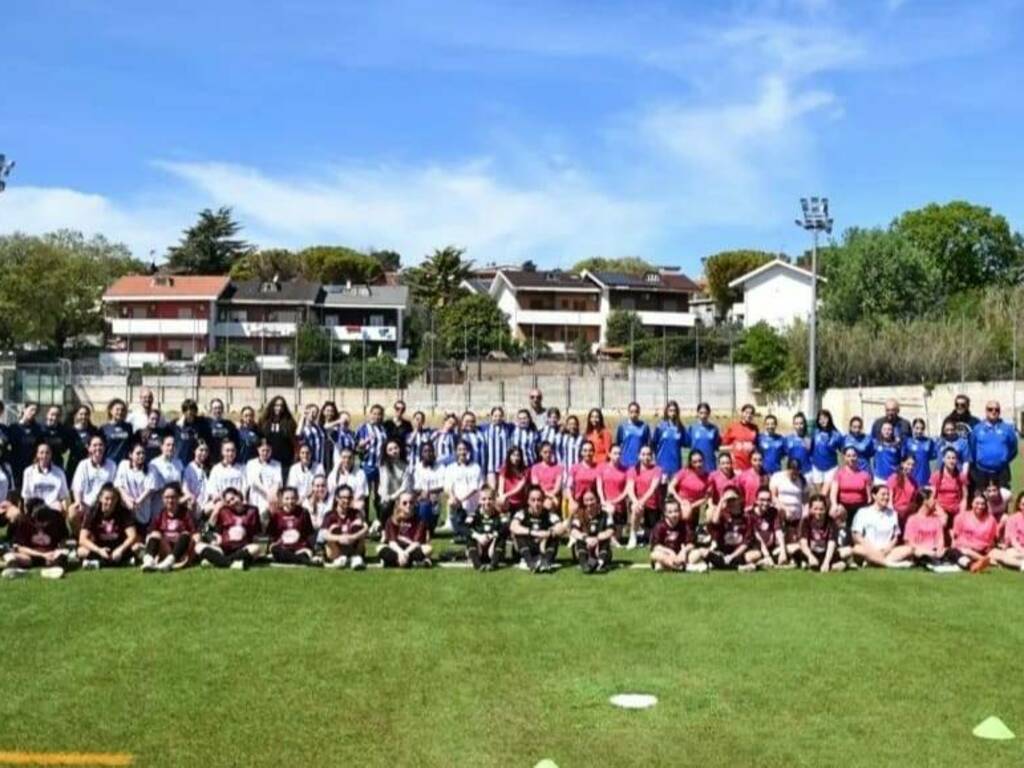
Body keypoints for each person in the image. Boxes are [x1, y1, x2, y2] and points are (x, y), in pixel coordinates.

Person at [1, 497, 70, 580]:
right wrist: (42, 555)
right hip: (29, 556)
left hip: (51, 555)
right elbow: (19, 547)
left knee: (64, 552)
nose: (43, 524)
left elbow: (64, 539)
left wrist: (57, 550)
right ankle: (13, 569)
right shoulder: (22, 522)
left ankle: (55, 568)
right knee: (9, 555)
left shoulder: (57, 517)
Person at [194, 487, 261, 570]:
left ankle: (218, 561)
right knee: (198, 546)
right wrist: (215, 511)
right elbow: (206, 530)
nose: (232, 503)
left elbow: (257, 533)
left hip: (242, 548)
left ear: (239, 496)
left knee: (256, 548)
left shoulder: (252, 510)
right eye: (228, 502)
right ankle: (232, 564)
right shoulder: (223, 511)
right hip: (223, 549)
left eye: (233, 498)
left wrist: (244, 533)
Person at [78, 483, 140, 569]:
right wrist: (99, 550)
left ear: (117, 499)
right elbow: (82, 539)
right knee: (81, 551)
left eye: (113, 499)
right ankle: (122, 562)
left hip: (119, 547)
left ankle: (99, 563)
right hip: (100, 548)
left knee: (137, 547)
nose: (110, 502)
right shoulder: (92, 512)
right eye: (106, 499)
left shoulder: (123, 512)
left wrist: (120, 549)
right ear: (100, 498)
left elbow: (132, 536)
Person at [850, 485, 913, 568]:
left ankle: (874, 561)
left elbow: (896, 537)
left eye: (887, 495)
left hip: (887, 550)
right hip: (868, 549)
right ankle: (889, 564)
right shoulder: (863, 512)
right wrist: (872, 549)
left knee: (908, 549)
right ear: (874, 496)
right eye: (883, 494)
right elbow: (857, 536)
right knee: (857, 549)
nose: (886, 497)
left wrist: (887, 549)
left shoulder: (893, 514)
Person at [696, 489, 756, 572]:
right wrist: (722, 500)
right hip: (722, 552)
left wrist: (732, 556)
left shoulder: (747, 518)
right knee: (702, 552)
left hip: (737, 553)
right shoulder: (724, 515)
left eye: (733, 499)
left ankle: (720, 564)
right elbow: (715, 521)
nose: (731, 502)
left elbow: (746, 543)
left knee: (755, 555)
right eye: (728, 500)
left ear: (739, 500)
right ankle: (738, 567)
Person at [509, 486, 565, 574]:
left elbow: (561, 528)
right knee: (518, 533)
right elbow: (513, 526)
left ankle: (546, 562)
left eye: (539, 500)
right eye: (533, 500)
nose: (536, 503)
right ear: (528, 501)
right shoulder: (522, 513)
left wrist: (549, 533)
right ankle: (530, 564)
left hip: (542, 547)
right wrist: (533, 533)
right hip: (527, 547)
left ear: (543, 501)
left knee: (555, 535)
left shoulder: (548, 514)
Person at [140, 483, 195, 573]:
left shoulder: (186, 514)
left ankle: (170, 561)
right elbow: (151, 535)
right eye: (167, 497)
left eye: (173, 497)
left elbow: (195, 535)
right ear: (162, 499)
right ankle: (149, 561)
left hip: (181, 551)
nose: (170, 500)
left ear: (178, 498)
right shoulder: (160, 515)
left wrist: (190, 555)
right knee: (154, 533)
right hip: (165, 549)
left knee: (186, 534)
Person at [69, 435, 117, 532]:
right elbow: (77, 487)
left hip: (104, 505)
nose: (98, 448)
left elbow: (115, 489)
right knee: (72, 510)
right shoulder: (83, 464)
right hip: (86, 505)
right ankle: (80, 536)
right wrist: (79, 502)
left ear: (104, 447)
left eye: (100, 445)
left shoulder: (112, 465)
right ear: (89, 448)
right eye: (94, 445)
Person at [968, 401, 1017, 492]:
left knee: (1003, 499)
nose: (993, 412)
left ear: (999, 412)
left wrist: (1004, 459)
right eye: (990, 409)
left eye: (996, 410)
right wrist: (980, 460)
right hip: (982, 471)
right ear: (986, 411)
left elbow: (1013, 449)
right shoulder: (977, 429)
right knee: (982, 501)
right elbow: (972, 448)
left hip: (1002, 471)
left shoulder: (1007, 429)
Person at [266, 487, 318, 567]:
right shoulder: (276, 515)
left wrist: (312, 550)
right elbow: (271, 536)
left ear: (297, 498)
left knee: (306, 553)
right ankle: (301, 560)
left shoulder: (303, 512)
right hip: (282, 548)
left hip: (299, 548)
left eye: (293, 498)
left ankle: (294, 559)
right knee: (275, 549)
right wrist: (270, 548)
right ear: (281, 500)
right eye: (287, 499)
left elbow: (309, 533)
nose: (290, 501)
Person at [379, 491, 433, 568]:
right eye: (404, 503)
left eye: (411, 502)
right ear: (399, 505)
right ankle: (412, 563)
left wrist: (405, 553)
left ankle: (394, 562)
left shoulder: (420, 521)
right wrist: (401, 552)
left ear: (414, 504)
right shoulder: (391, 520)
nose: (408, 505)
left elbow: (416, 543)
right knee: (379, 548)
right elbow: (392, 542)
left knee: (428, 549)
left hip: (411, 549)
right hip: (397, 549)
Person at [443, 440, 483, 541]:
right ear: (456, 452)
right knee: (450, 502)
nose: (462, 452)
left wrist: (461, 499)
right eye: (459, 449)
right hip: (457, 504)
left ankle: (465, 532)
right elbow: (447, 487)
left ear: (469, 451)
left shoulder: (475, 467)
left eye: (464, 449)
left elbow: (475, 488)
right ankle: (457, 530)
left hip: (471, 503)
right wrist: (453, 497)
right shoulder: (450, 468)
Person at [798, 494, 849, 573]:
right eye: (815, 509)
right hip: (811, 552)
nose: (818, 512)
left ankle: (820, 566)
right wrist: (810, 557)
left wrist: (826, 562)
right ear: (810, 509)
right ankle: (812, 563)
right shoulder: (805, 521)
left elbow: (831, 544)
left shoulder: (831, 522)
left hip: (825, 553)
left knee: (848, 551)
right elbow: (803, 543)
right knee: (793, 549)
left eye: (821, 509)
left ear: (826, 509)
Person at [322, 484, 368, 570]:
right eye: (343, 497)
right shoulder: (329, 515)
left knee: (358, 525)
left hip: (353, 546)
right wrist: (339, 538)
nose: (346, 500)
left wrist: (353, 537)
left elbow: (366, 529)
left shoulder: (356, 513)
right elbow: (324, 534)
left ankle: (355, 558)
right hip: (336, 549)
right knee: (333, 528)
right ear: (336, 498)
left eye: (349, 498)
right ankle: (340, 559)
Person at [568, 488, 614, 573]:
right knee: (579, 540)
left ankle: (600, 563)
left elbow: (610, 531)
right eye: (586, 500)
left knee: (605, 540)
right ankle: (584, 564)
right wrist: (586, 539)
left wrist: (597, 539)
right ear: (583, 501)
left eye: (592, 499)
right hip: (585, 545)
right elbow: (573, 530)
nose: (589, 503)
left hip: (599, 546)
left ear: (597, 499)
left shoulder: (605, 514)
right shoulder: (579, 514)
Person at [626, 445, 662, 548]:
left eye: (649, 454)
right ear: (639, 456)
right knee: (636, 509)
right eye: (643, 454)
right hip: (639, 505)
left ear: (652, 456)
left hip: (653, 506)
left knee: (652, 539)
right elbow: (630, 488)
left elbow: (653, 488)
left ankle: (645, 532)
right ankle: (632, 537)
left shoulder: (657, 470)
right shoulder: (633, 470)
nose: (646, 457)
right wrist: (636, 502)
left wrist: (641, 501)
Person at [949, 494, 998, 571]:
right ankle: (975, 564)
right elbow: (955, 535)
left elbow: (993, 538)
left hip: (982, 549)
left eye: (982, 504)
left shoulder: (991, 519)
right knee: (957, 553)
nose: (980, 506)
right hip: (964, 549)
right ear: (971, 503)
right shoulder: (961, 517)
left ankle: (982, 560)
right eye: (977, 503)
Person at [465, 486, 508, 571]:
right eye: (484, 499)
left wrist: (492, 536)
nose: (487, 502)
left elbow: (506, 528)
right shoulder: (474, 515)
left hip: (492, 549)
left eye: (490, 499)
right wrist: (478, 536)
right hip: (478, 548)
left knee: (501, 537)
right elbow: (465, 528)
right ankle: (478, 565)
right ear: (479, 501)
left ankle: (493, 565)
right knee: (470, 537)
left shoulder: (500, 515)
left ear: (494, 500)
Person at [902, 491, 948, 569]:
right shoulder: (913, 519)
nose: (935, 501)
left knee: (952, 551)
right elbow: (909, 542)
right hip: (920, 550)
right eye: (933, 498)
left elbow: (940, 539)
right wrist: (930, 552)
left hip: (935, 550)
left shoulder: (936, 519)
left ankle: (967, 564)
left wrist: (939, 550)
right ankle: (936, 563)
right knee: (919, 553)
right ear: (925, 501)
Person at [145, 434, 183, 525]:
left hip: (175, 505)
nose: (171, 448)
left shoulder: (179, 463)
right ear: (161, 447)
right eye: (168, 445)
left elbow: (180, 485)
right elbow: (153, 488)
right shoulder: (154, 463)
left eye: (173, 445)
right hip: (159, 506)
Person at [22, 442, 70, 514]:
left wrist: (64, 512)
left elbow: (64, 496)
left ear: (51, 455)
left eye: (47, 453)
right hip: (35, 505)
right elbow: (26, 496)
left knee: (58, 507)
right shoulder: (28, 471)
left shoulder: (59, 472)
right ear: (37, 454)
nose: (44, 456)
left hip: (52, 505)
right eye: (41, 453)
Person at [649, 499, 695, 572]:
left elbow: (691, 544)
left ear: (680, 512)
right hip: (666, 555)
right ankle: (681, 567)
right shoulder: (659, 526)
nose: (674, 514)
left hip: (681, 555)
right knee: (654, 555)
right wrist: (670, 552)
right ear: (665, 513)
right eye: (670, 512)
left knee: (696, 553)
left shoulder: (685, 525)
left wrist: (684, 551)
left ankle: (667, 566)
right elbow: (656, 546)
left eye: (676, 511)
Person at [245, 438, 284, 524]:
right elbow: (253, 481)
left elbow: (278, 482)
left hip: (272, 496)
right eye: (263, 450)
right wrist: (267, 492)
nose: (265, 453)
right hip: (257, 495)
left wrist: (271, 494)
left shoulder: (277, 464)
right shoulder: (251, 463)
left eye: (268, 450)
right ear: (258, 450)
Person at [829, 446, 871, 522]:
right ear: (844, 457)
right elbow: (833, 493)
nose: (851, 458)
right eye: (848, 456)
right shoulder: (839, 474)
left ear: (857, 457)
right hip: (843, 506)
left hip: (860, 506)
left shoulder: (865, 475)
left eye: (854, 456)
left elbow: (869, 497)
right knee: (833, 513)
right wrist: (834, 505)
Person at [597, 444, 631, 538]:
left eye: (619, 453)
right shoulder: (602, 467)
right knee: (608, 534)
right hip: (605, 505)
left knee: (617, 537)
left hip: (620, 506)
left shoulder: (626, 470)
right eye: (615, 453)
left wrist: (615, 501)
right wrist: (603, 500)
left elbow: (626, 490)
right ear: (609, 454)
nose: (618, 456)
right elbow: (599, 486)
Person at [356, 404, 387, 504]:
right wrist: (366, 441)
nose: (376, 416)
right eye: (374, 414)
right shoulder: (363, 427)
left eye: (379, 414)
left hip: (380, 465)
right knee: (366, 493)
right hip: (367, 465)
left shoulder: (382, 428)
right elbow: (358, 446)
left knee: (379, 493)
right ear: (370, 414)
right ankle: (366, 518)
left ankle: (379, 517)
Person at [376, 438, 410, 532]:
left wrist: (394, 497)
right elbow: (384, 484)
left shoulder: (406, 466)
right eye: (390, 450)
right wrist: (388, 498)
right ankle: (383, 530)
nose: (394, 451)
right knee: (385, 506)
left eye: (395, 448)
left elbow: (404, 486)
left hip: (400, 496)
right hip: (386, 496)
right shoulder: (383, 466)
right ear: (386, 452)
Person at [115, 443, 152, 527]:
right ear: (130, 455)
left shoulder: (150, 468)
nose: (141, 456)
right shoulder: (123, 465)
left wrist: (137, 502)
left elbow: (149, 489)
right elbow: (118, 485)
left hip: (142, 511)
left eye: (143, 453)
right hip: (126, 509)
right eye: (138, 453)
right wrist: (127, 499)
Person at [411, 442, 445, 532]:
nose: (428, 454)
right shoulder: (417, 468)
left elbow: (443, 486)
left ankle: (426, 529)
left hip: (434, 504)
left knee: (428, 503)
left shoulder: (440, 467)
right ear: (421, 453)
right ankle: (422, 530)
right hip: (419, 501)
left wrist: (429, 492)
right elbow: (414, 487)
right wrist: (422, 494)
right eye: (425, 451)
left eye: (430, 451)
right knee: (423, 503)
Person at [260, 396, 297, 474]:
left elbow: (294, 440)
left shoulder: (289, 422)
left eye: (281, 406)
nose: (279, 408)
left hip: (285, 461)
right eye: (276, 405)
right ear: (272, 406)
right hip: (269, 460)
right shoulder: (264, 422)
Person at [668, 451, 711, 519]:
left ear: (703, 460)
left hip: (694, 506)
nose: (698, 464)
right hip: (679, 502)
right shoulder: (684, 472)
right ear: (691, 463)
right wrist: (681, 501)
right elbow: (670, 487)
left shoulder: (708, 477)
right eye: (695, 462)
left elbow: (706, 498)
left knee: (686, 513)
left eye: (700, 461)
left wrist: (691, 506)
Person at [206, 440, 247, 511]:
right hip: (222, 502)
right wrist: (222, 499)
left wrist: (239, 498)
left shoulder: (242, 468)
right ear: (222, 452)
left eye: (232, 450)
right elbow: (212, 489)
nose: (230, 453)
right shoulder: (216, 469)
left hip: (238, 502)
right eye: (227, 451)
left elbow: (245, 487)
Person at [929, 447, 967, 521]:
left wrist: (961, 514)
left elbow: (964, 498)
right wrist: (941, 513)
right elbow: (932, 497)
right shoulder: (937, 476)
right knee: (943, 520)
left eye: (953, 458)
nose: (951, 461)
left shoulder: (961, 476)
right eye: (948, 458)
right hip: (940, 509)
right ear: (943, 459)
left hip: (956, 510)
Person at [10, 402, 44, 485]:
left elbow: (40, 447)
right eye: (32, 410)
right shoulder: (14, 427)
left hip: (31, 466)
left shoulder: (38, 429)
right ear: (24, 409)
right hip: (16, 466)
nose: (34, 413)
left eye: (36, 411)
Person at [652, 401, 687, 480]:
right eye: (670, 411)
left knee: (673, 489)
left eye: (674, 411)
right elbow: (653, 443)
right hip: (662, 465)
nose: (673, 413)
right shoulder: (660, 426)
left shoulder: (680, 427)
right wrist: (655, 458)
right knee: (662, 489)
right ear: (666, 412)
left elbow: (686, 443)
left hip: (676, 465)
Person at [810, 409, 843, 491]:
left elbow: (843, 450)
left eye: (825, 418)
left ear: (829, 419)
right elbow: (811, 448)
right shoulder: (815, 432)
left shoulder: (836, 435)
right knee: (819, 493)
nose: (822, 421)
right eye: (820, 419)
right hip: (816, 467)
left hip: (831, 468)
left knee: (824, 493)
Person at [566, 440, 601, 518]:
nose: (587, 453)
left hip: (592, 503)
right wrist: (571, 501)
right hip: (578, 502)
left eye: (590, 450)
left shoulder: (598, 467)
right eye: (585, 451)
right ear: (581, 452)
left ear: (593, 452)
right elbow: (568, 487)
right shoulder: (574, 468)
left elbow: (599, 487)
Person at [991, 492, 1024, 570]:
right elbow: (1013, 541)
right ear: (1019, 505)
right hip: (1016, 549)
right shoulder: (1013, 519)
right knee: (1009, 554)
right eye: (1023, 504)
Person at [529, 441, 563, 516]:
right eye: (545, 452)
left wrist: (552, 496)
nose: (548, 455)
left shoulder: (558, 468)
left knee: (548, 504)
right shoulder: (535, 468)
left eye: (550, 452)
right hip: (539, 495)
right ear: (540, 453)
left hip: (554, 495)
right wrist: (549, 496)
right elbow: (536, 485)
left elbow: (557, 487)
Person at [172, 399, 210, 467]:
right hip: (180, 461)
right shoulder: (176, 424)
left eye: (192, 410)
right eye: (186, 410)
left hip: (196, 462)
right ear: (183, 412)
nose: (189, 412)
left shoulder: (202, 424)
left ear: (195, 411)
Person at [749, 487, 781, 568]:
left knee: (792, 548)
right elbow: (758, 538)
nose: (765, 503)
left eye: (768, 500)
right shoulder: (749, 514)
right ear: (756, 500)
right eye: (762, 500)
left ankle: (765, 562)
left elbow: (778, 532)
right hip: (757, 549)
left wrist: (783, 552)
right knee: (751, 557)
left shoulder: (773, 512)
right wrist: (767, 556)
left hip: (772, 548)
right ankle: (766, 561)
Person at [66, 405, 100, 480]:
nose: (83, 416)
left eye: (86, 414)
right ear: (77, 415)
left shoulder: (94, 430)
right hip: (74, 462)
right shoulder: (71, 431)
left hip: (90, 461)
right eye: (81, 414)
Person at [481, 406, 512, 487]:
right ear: (491, 416)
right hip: (491, 466)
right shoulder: (485, 429)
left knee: (504, 488)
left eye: (500, 416)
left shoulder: (508, 428)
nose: (497, 418)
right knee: (492, 489)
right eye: (495, 416)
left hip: (504, 466)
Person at [722, 403, 758, 471]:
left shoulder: (755, 428)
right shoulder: (733, 427)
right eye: (746, 412)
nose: (748, 415)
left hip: (749, 467)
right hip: (736, 468)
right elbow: (723, 445)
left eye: (751, 413)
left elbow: (756, 446)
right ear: (742, 413)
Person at [886, 455, 919, 528]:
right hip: (895, 513)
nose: (910, 467)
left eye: (913, 465)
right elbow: (890, 499)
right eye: (908, 464)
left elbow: (914, 501)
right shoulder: (894, 478)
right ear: (902, 464)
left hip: (908, 514)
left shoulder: (914, 482)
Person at [903, 419, 936, 490]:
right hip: (911, 475)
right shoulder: (907, 441)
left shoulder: (929, 442)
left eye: (922, 428)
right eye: (917, 428)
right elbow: (903, 459)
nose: (919, 431)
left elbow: (932, 458)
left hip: (925, 476)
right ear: (913, 428)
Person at [615, 402, 651, 468]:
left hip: (639, 463)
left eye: (636, 412)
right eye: (631, 412)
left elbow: (647, 445)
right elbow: (618, 444)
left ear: (639, 412)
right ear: (628, 412)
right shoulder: (622, 426)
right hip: (624, 462)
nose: (634, 414)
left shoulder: (644, 427)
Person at [40, 405, 73, 475]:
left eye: (57, 415)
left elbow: (65, 447)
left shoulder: (63, 430)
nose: (54, 418)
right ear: (47, 414)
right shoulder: (39, 429)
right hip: (41, 462)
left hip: (57, 463)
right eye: (52, 414)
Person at [182, 441, 211, 522]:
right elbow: (185, 487)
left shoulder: (210, 468)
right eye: (201, 450)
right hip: (194, 503)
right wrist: (191, 496)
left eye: (206, 450)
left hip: (206, 503)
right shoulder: (189, 468)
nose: (204, 453)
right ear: (194, 451)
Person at [687, 402, 721, 470]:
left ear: (709, 413)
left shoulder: (714, 429)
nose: (703, 415)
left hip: (710, 464)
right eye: (701, 413)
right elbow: (688, 444)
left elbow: (716, 446)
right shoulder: (692, 428)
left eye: (705, 413)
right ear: (697, 413)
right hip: (696, 464)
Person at [497, 446, 529, 515]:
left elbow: (518, 488)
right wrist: (502, 496)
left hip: (520, 502)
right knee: (498, 501)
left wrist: (505, 495)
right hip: (507, 501)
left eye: (518, 455)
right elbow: (500, 487)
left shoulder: (525, 470)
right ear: (509, 456)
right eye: (513, 455)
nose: (516, 458)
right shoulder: (504, 469)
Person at [205, 398, 238, 465]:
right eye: (215, 408)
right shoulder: (206, 423)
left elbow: (236, 442)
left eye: (219, 408)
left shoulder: (229, 424)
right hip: (211, 461)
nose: (217, 410)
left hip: (226, 460)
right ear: (211, 409)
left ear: (223, 409)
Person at [783, 413, 812, 479]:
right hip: (792, 472)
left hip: (807, 473)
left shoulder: (809, 439)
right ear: (793, 425)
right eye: (796, 424)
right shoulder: (787, 439)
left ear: (804, 424)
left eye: (801, 423)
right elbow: (784, 454)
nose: (799, 426)